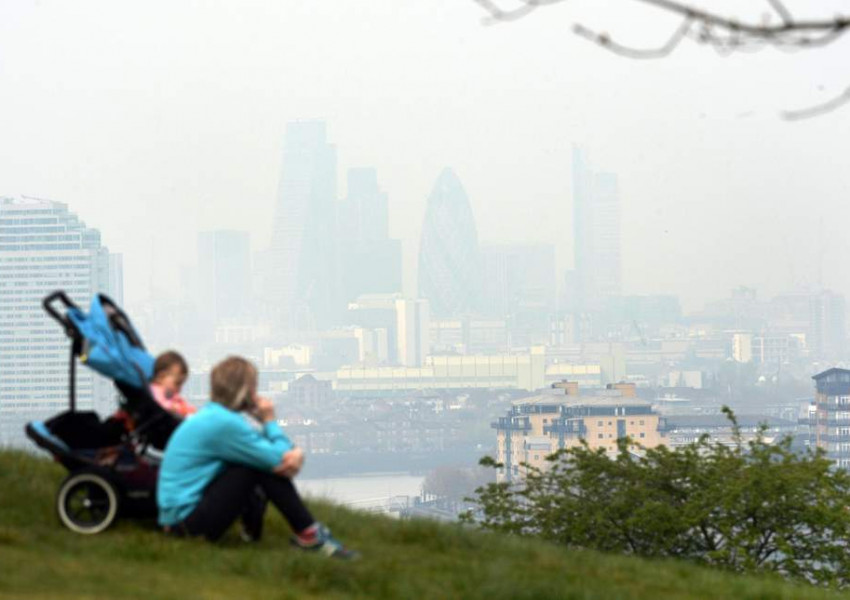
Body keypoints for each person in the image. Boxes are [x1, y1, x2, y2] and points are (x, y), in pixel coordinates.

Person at [156, 356, 355, 558]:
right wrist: (270, 421)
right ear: (246, 391)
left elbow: (271, 452)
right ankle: (309, 534)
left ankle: (270, 533)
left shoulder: (217, 416)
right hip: (185, 524)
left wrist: (291, 454)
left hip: (177, 520)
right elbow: (276, 458)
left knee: (254, 461)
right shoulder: (226, 423)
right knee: (254, 467)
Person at [150, 351, 197, 418]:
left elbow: (180, 403)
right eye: (177, 383)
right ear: (161, 377)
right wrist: (174, 408)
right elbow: (159, 405)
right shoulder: (154, 390)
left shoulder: (170, 394)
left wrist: (188, 409)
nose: (180, 388)